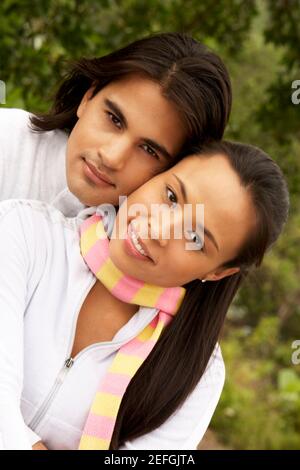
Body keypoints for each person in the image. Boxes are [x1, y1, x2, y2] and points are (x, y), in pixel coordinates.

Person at [0, 141, 289, 450]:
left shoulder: (197, 372)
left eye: (194, 237)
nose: (159, 230)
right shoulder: (27, 233)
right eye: (171, 197)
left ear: (218, 272)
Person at [0, 32, 231, 215]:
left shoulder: (147, 251)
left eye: (149, 150)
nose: (111, 157)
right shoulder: (8, 138)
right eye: (114, 119)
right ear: (88, 97)